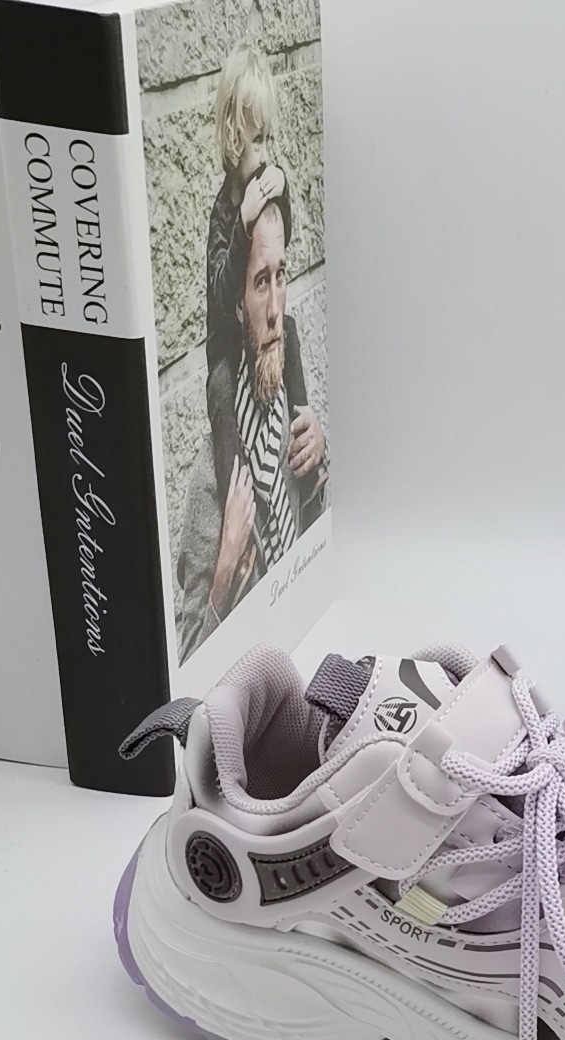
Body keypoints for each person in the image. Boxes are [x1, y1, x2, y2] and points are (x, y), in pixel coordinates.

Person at [176, 188, 329, 653]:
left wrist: (323, 464)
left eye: (281, 276)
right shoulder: (211, 480)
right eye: (261, 282)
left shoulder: (298, 427)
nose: (277, 309)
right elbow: (189, 654)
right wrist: (225, 568)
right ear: (239, 304)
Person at [206, 43, 286, 379]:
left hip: (259, 326)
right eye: (257, 140)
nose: (265, 154)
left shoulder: (264, 180)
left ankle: (298, 407)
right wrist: (242, 223)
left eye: (268, 138)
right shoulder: (223, 214)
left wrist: (283, 187)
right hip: (228, 348)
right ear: (234, 136)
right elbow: (223, 293)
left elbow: (283, 239)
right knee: (222, 381)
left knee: (290, 331)